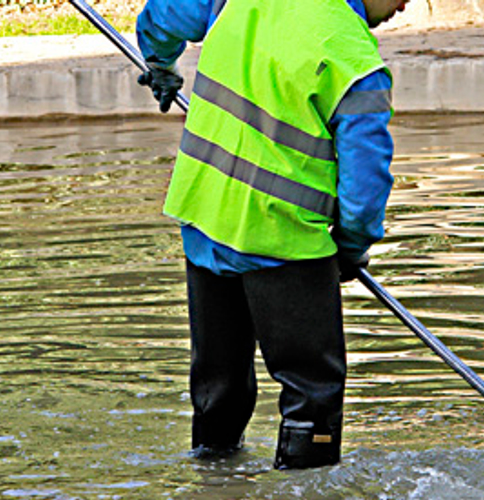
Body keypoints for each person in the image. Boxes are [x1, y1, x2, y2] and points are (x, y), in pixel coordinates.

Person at [136, 0, 409, 470]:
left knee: (218, 387)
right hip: (284, 241)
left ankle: (212, 479)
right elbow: (365, 188)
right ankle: (305, 484)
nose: (406, 5)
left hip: (206, 221)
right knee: (312, 394)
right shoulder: (353, 58)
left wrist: (159, 61)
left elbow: (166, 13)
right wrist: (350, 248)